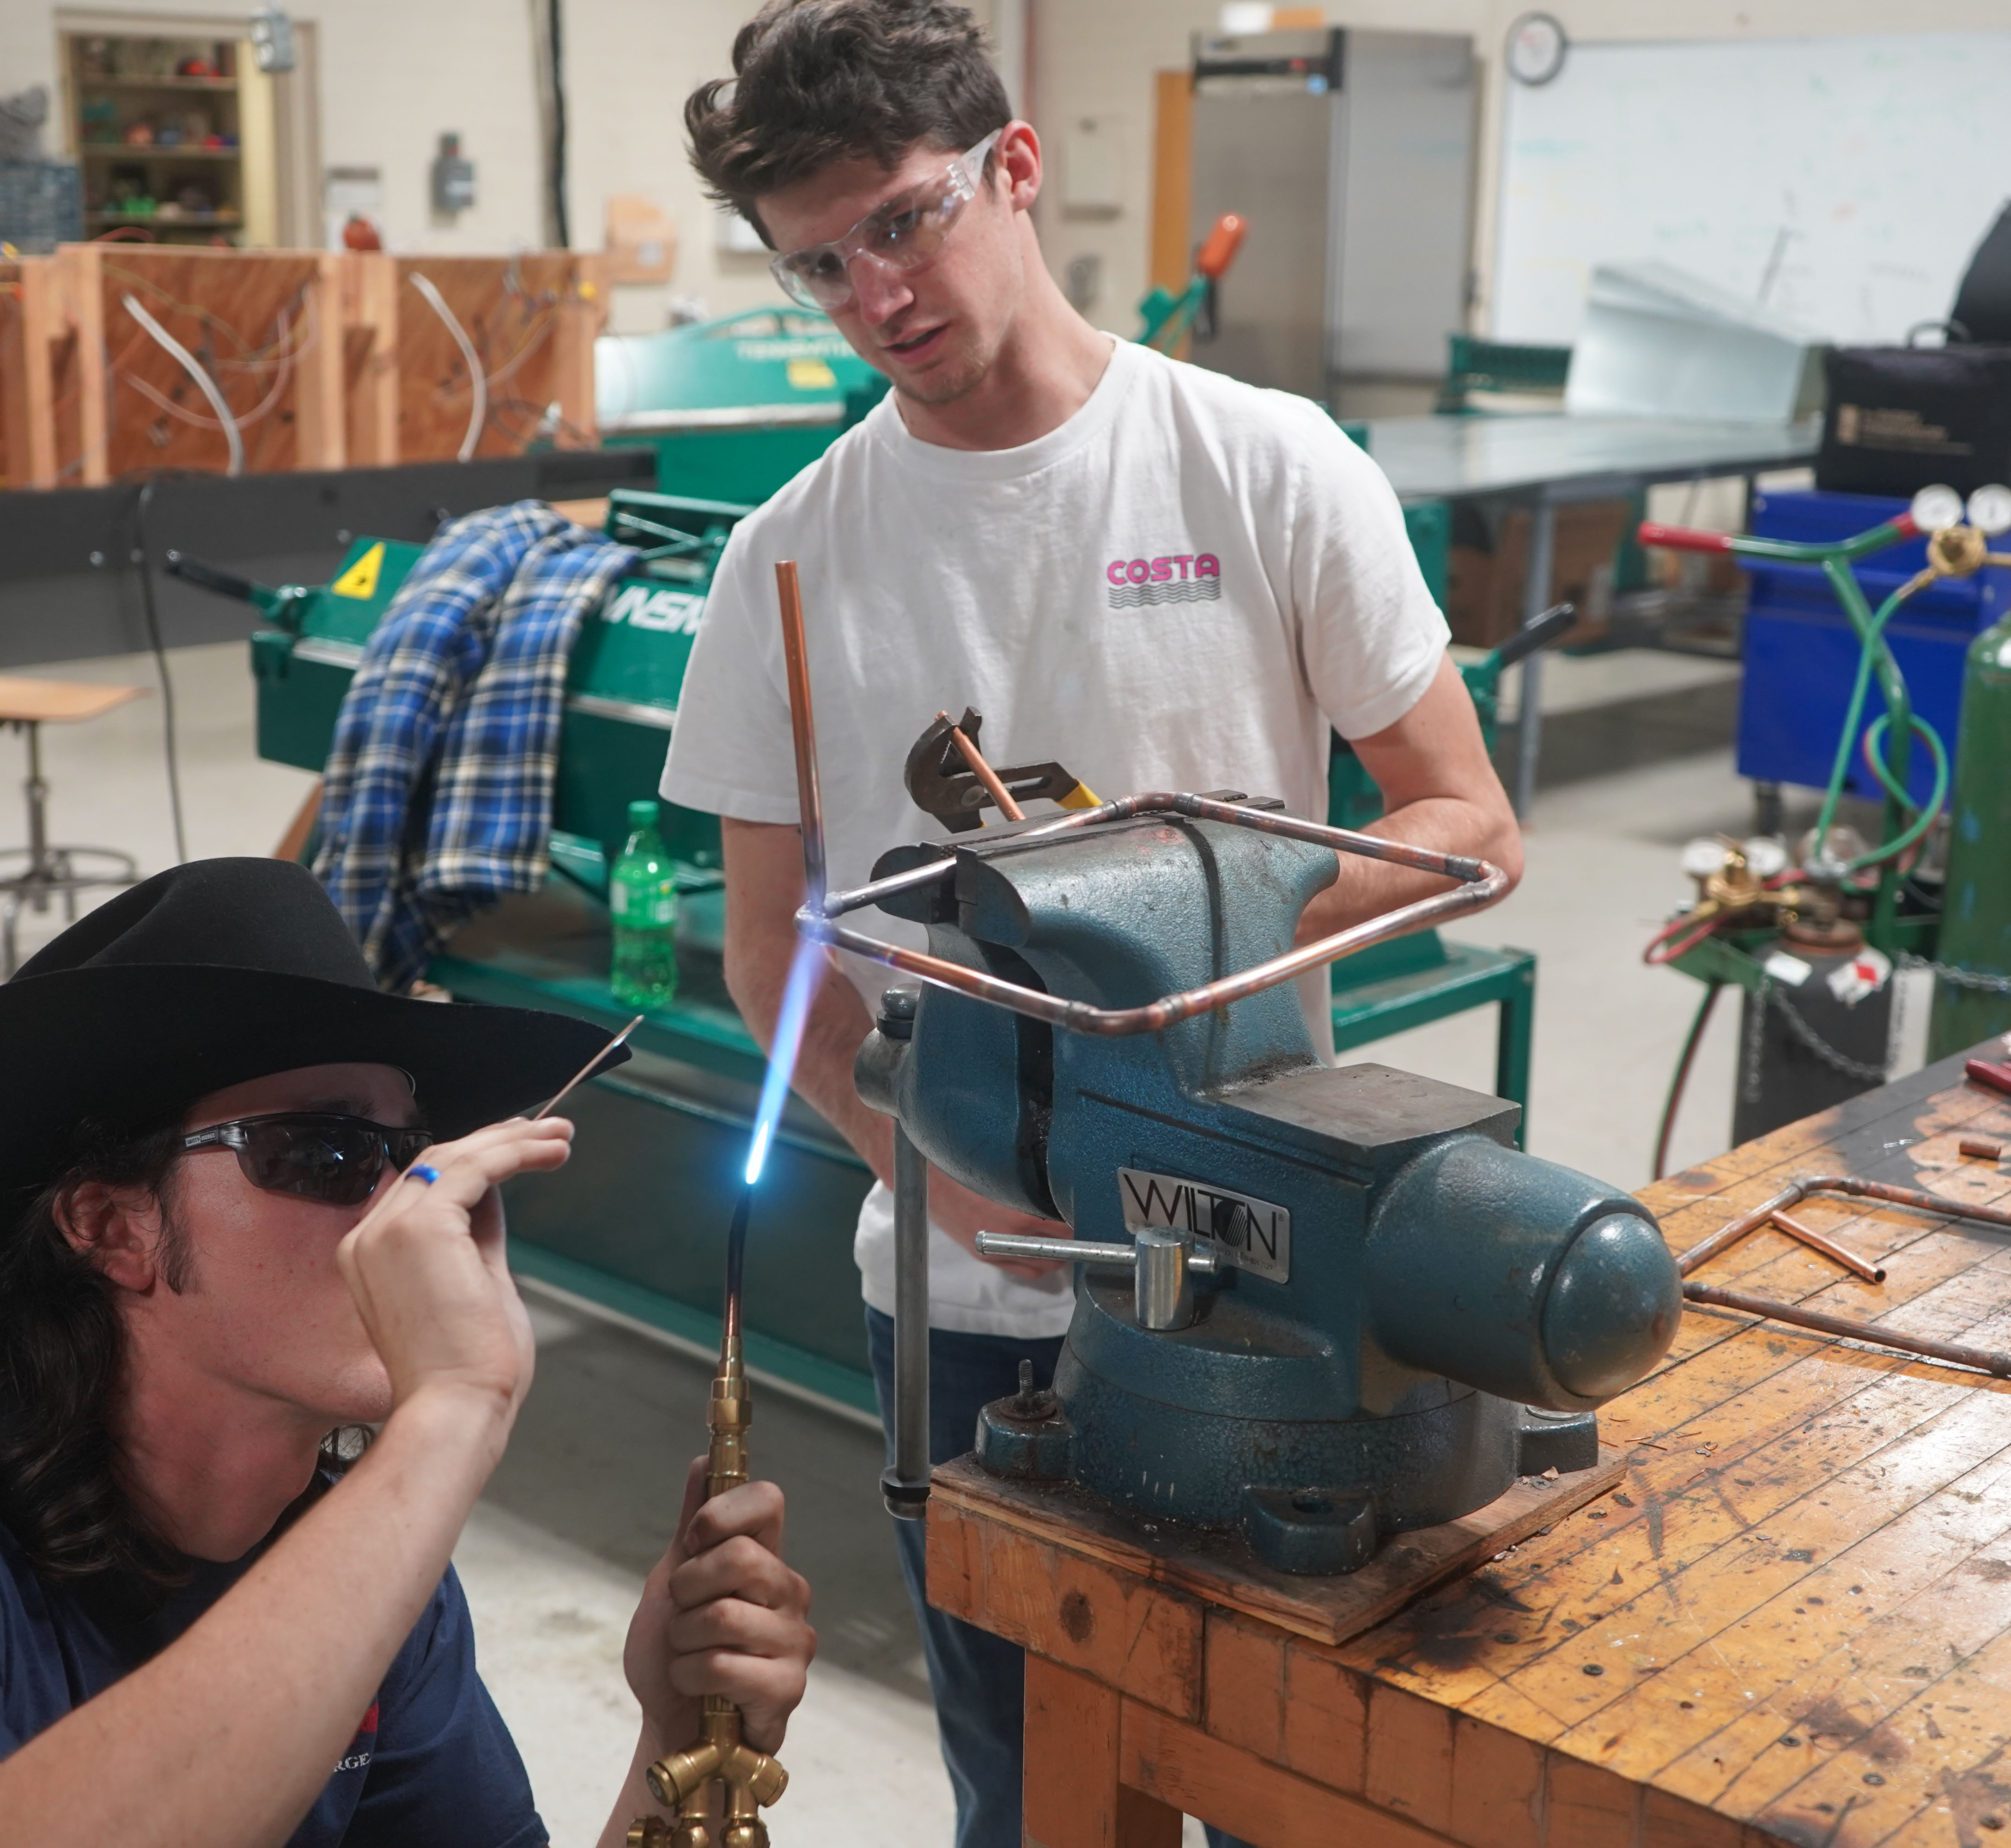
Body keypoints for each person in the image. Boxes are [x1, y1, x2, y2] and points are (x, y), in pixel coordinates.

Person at [658, 3, 1521, 1842]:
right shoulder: (789, 563)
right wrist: (955, 1186)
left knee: (1295, 1778)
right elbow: (770, 953)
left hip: (1274, 1271)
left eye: (903, 221)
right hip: (964, 1310)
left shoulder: (1262, 466)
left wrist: (1206, 905)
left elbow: (1468, 823)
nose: (877, 293)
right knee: (1036, 1795)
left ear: (1017, 166)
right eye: (820, 265)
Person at [0, 858, 817, 1848]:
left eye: (417, 1156)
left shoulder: (351, 1563)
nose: (415, 1213)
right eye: (326, 1153)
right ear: (113, 1227)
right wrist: (451, 1411)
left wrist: (673, 1742)